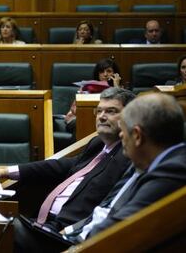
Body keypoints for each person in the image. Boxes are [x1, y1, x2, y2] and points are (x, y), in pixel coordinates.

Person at [0, 87, 136, 252]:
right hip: (42, 223)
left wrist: (71, 232)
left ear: (131, 117)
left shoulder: (130, 155)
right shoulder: (97, 144)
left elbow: (112, 208)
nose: (102, 116)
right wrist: (5, 171)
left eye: (111, 111)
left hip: (65, 235)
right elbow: (62, 166)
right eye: (99, 111)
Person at [60, 93, 186, 250]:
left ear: (137, 136)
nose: (121, 135)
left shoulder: (172, 171)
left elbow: (117, 229)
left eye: (123, 130)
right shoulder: (158, 162)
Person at [64, 58, 122, 141]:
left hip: (102, 119)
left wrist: (116, 87)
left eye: (109, 71)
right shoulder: (87, 86)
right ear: (97, 73)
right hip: (77, 119)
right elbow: (75, 110)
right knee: (82, 123)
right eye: (101, 71)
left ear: (115, 74)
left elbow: (121, 109)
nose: (105, 74)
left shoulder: (119, 89)